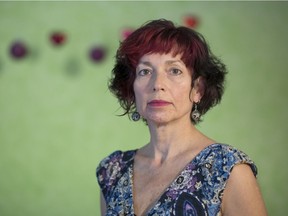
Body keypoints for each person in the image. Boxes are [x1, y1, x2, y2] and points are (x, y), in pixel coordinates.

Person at [96, 19, 267, 216]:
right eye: (145, 71)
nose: (157, 84)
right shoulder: (112, 171)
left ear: (198, 89)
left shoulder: (228, 168)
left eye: (174, 71)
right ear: (131, 88)